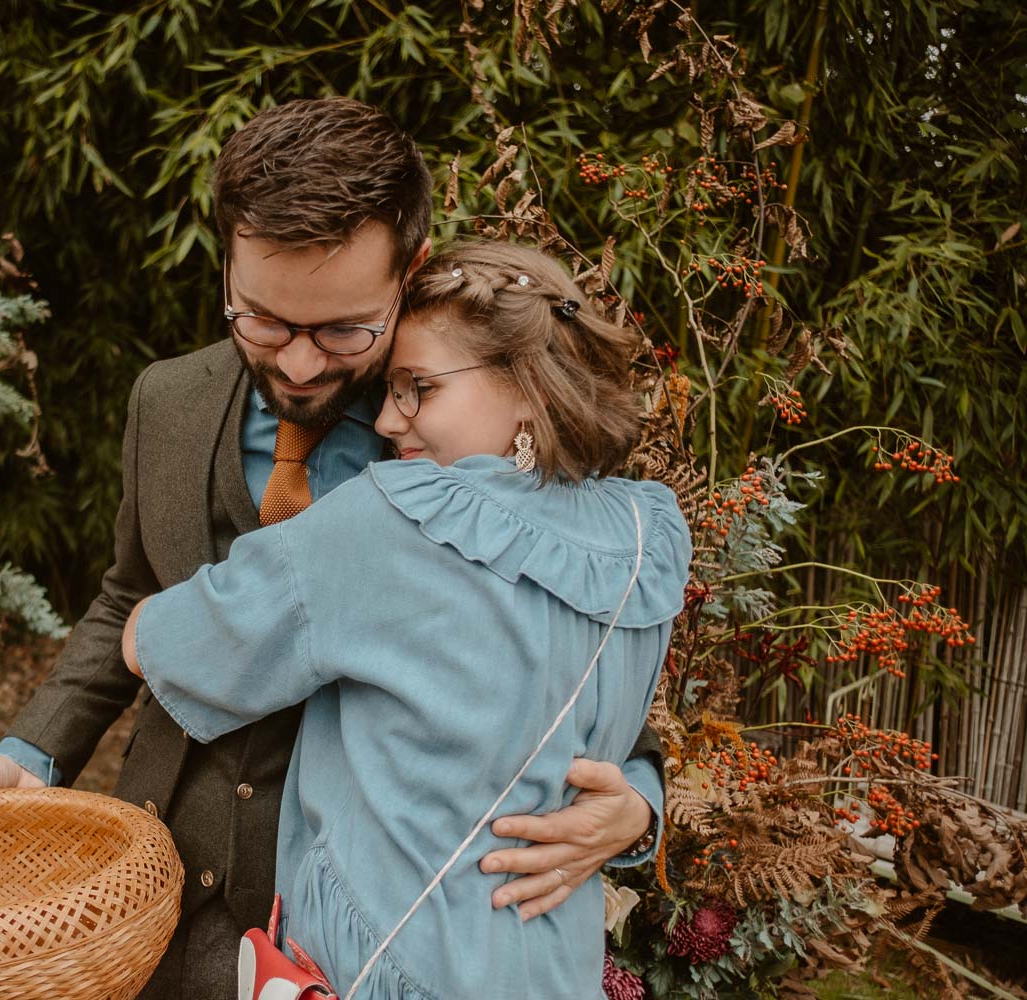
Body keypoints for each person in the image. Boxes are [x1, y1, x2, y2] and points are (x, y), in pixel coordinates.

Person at [0, 97, 667, 996]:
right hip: (160, 890)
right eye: (263, 321)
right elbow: (126, 593)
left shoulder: (469, 446)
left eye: (342, 330)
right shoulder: (165, 402)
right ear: (226, 266)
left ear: (410, 272)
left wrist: (636, 804)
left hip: (352, 931)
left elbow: (582, 671)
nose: (298, 364)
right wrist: (34, 753)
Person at [123, 239, 692, 998]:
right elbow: (593, 724)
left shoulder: (399, 515)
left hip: (388, 963)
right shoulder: (649, 536)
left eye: (418, 387)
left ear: (530, 388)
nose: (389, 420)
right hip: (550, 967)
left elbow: (177, 644)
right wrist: (640, 805)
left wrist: (141, 621)